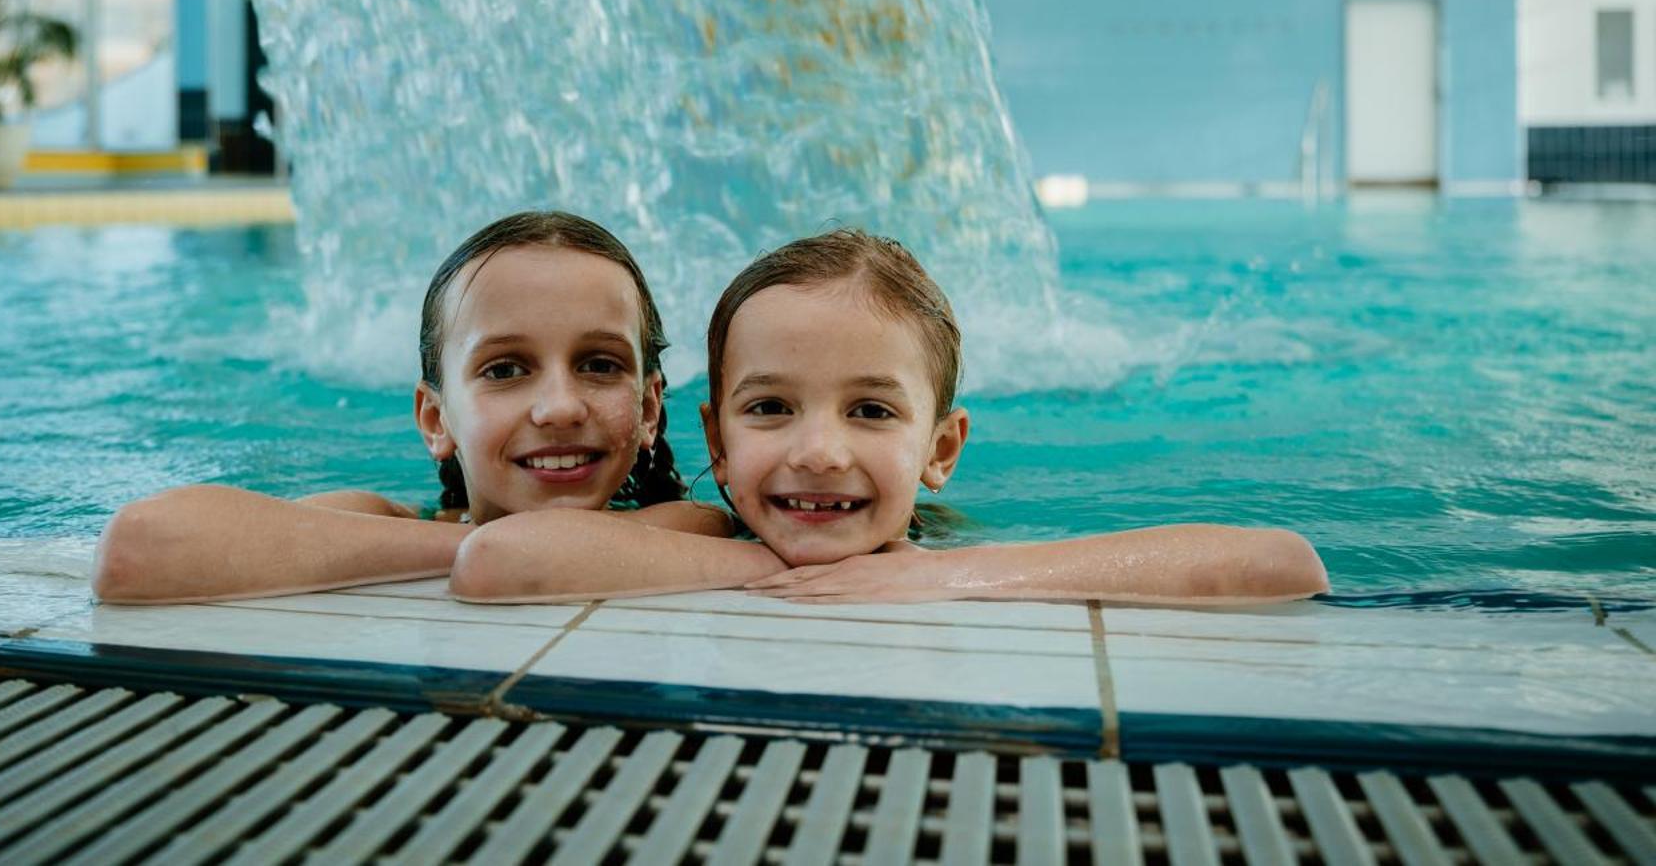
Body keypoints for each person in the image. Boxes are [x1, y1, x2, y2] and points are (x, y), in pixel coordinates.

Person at [451, 229, 1329, 605]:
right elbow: (499, 556)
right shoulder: (706, 532)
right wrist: (753, 565)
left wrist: (947, 578)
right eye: (771, 408)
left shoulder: (941, 559)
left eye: (870, 409)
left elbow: (1284, 562)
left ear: (940, 448)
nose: (820, 452)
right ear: (716, 441)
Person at [91, 211, 725, 602]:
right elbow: (136, 550)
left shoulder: (695, 525)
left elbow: (521, 555)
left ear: (648, 409)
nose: (559, 408)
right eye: (505, 369)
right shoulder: (398, 519)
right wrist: (462, 544)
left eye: (599, 366)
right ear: (435, 420)